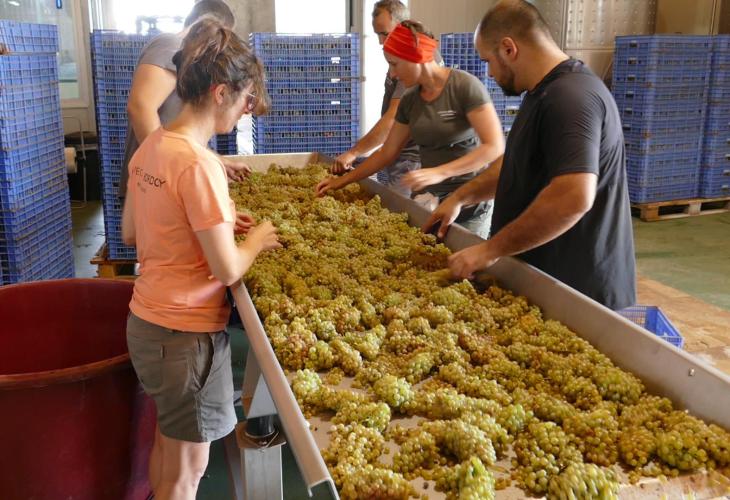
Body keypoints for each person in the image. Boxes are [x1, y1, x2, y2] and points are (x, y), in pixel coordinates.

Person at [121, 20, 280, 500]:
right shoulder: (201, 164)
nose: (246, 109)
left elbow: (133, 232)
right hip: (186, 339)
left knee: (168, 447)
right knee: (188, 473)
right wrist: (257, 240)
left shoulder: (152, 147)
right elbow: (228, 269)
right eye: (245, 98)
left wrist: (215, 221)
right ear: (220, 93)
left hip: (147, 325)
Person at [425, 0, 636, 310]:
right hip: (547, 284)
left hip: (580, 295)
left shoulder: (570, 99)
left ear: (509, 49)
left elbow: (574, 196)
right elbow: (516, 165)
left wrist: (489, 250)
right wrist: (460, 197)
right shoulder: (542, 93)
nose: (489, 73)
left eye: (488, 61)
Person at [318, 20, 505, 237]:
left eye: (394, 64)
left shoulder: (464, 86)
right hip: (430, 202)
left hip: (470, 206)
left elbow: (494, 147)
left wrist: (439, 172)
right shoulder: (409, 100)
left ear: (416, 56)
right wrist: (340, 182)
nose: (393, 74)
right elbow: (387, 152)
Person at [119, 0, 250, 201]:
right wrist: (168, 172)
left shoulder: (190, 63)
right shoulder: (171, 45)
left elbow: (181, 136)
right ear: (210, 25)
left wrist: (217, 160)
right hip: (153, 185)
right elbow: (140, 108)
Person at [333, 0, 420, 196]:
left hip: (412, 161)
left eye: (385, 34)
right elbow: (389, 143)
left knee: (401, 208)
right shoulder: (397, 60)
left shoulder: (411, 63)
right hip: (397, 154)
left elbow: (392, 119)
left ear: (404, 26)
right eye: (377, 34)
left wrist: (354, 152)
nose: (381, 41)